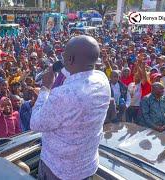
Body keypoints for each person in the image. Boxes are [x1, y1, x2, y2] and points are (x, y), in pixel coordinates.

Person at [30, 35, 111, 179]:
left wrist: (45, 88)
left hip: (59, 171)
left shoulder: (63, 95)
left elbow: (35, 123)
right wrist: (61, 66)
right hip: (87, 167)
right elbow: (79, 72)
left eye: (64, 55)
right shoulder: (102, 80)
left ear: (71, 59)